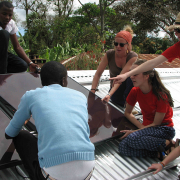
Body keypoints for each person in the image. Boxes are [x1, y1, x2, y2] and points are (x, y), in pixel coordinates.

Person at [5, 61, 95, 180]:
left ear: (42, 80)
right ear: (64, 80)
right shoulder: (80, 96)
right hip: (87, 170)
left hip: (53, 175)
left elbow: (9, 133)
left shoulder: (31, 96)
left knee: (21, 136)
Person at [118, 59, 177, 159]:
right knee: (122, 147)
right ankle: (159, 154)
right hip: (147, 128)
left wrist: (135, 132)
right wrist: (140, 127)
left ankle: (169, 143)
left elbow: (156, 124)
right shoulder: (135, 91)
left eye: (135, 74)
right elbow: (127, 113)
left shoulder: (160, 95)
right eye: (131, 73)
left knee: (132, 139)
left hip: (164, 129)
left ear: (146, 76)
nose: (131, 76)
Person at [110, 12, 180, 86]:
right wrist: (126, 75)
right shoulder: (177, 48)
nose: (176, 34)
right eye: (175, 30)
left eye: (178, 30)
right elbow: (152, 63)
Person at [91, 25, 138, 107]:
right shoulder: (109, 54)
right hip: (115, 89)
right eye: (116, 44)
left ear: (128, 45)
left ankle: (129, 105)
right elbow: (98, 74)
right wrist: (92, 91)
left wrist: (109, 94)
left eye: (121, 45)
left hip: (128, 91)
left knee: (132, 76)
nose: (118, 47)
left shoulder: (132, 57)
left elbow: (120, 78)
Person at [0, 1, 38, 74]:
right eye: (4, 14)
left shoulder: (11, 24)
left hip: (3, 55)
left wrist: (30, 63)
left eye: (10, 15)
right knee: (4, 34)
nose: (7, 17)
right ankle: (2, 76)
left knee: (22, 66)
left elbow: (17, 47)